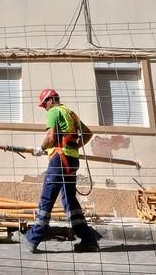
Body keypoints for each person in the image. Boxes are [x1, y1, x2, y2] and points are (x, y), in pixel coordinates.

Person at [22, 88, 99, 253]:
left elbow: (50, 137)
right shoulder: (70, 113)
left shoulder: (54, 111)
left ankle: (33, 237)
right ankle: (88, 239)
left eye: (44, 105)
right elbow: (87, 134)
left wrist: (40, 148)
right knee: (70, 201)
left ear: (50, 100)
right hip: (71, 161)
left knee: (47, 198)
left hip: (59, 161)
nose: (45, 108)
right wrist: (74, 146)